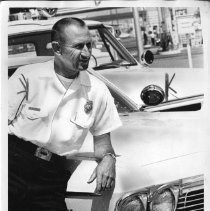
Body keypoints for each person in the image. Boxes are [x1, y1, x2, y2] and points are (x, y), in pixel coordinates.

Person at [8, 17, 122, 211]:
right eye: (78, 46)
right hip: (13, 166)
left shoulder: (98, 90)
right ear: (57, 48)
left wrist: (109, 158)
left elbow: (103, 145)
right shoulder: (27, 77)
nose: (86, 53)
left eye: (89, 45)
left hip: (52, 177)